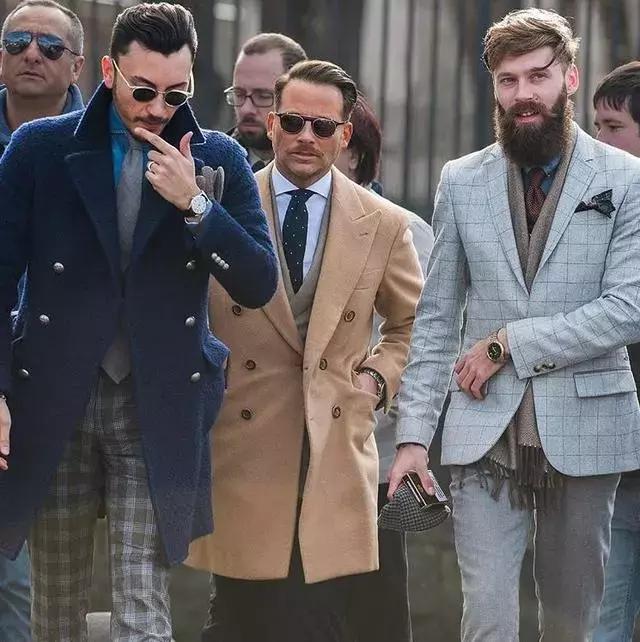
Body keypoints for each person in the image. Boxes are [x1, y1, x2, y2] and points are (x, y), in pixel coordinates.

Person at [0, 2, 277, 640]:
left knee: (142, 609)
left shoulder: (219, 158)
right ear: (108, 72)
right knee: (56, 610)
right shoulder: (41, 149)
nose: (158, 107)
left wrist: (196, 204)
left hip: (158, 401)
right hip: (55, 394)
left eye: (176, 93)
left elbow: (258, 281)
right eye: (143, 90)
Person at [390, 8, 640, 642]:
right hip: (482, 431)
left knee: (571, 625)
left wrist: (508, 344)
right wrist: (413, 438)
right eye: (508, 80)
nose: (524, 93)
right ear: (494, 88)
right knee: (487, 620)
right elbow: (436, 318)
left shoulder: (625, 178)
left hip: (587, 430)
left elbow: (629, 307)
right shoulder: (460, 180)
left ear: (570, 78)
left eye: (538, 76)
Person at [186, 60, 423, 642]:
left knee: (314, 621)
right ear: (271, 125)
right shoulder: (225, 205)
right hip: (243, 443)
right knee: (236, 619)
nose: (305, 137)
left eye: (322, 126)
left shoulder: (384, 223)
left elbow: (412, 324)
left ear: (345, 134)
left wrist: (374, 381)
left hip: (331, 443)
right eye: (292, 122)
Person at [0, 2, 85, 640]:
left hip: (62, 376)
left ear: (77, 65)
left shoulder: (105, 140)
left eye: (50, 47)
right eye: (18, 41)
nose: (32, 53)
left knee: (22, 572)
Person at [336, 91, 433, 642]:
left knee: (375, 609)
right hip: (295, 450)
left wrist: (373, 393)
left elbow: (424, 337)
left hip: (371, 452)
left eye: (329, 133)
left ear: (357, 153)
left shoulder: (405, 229)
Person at [591, 61, 640, 642]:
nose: (598, 139)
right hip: (619, 454)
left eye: (612, 127)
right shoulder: (600, 206)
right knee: (602, 620)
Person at [224, 33, 307, 171]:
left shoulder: (330, 171)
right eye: (239, 94)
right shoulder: (207, 165)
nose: (246, 109)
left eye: (262, 96)